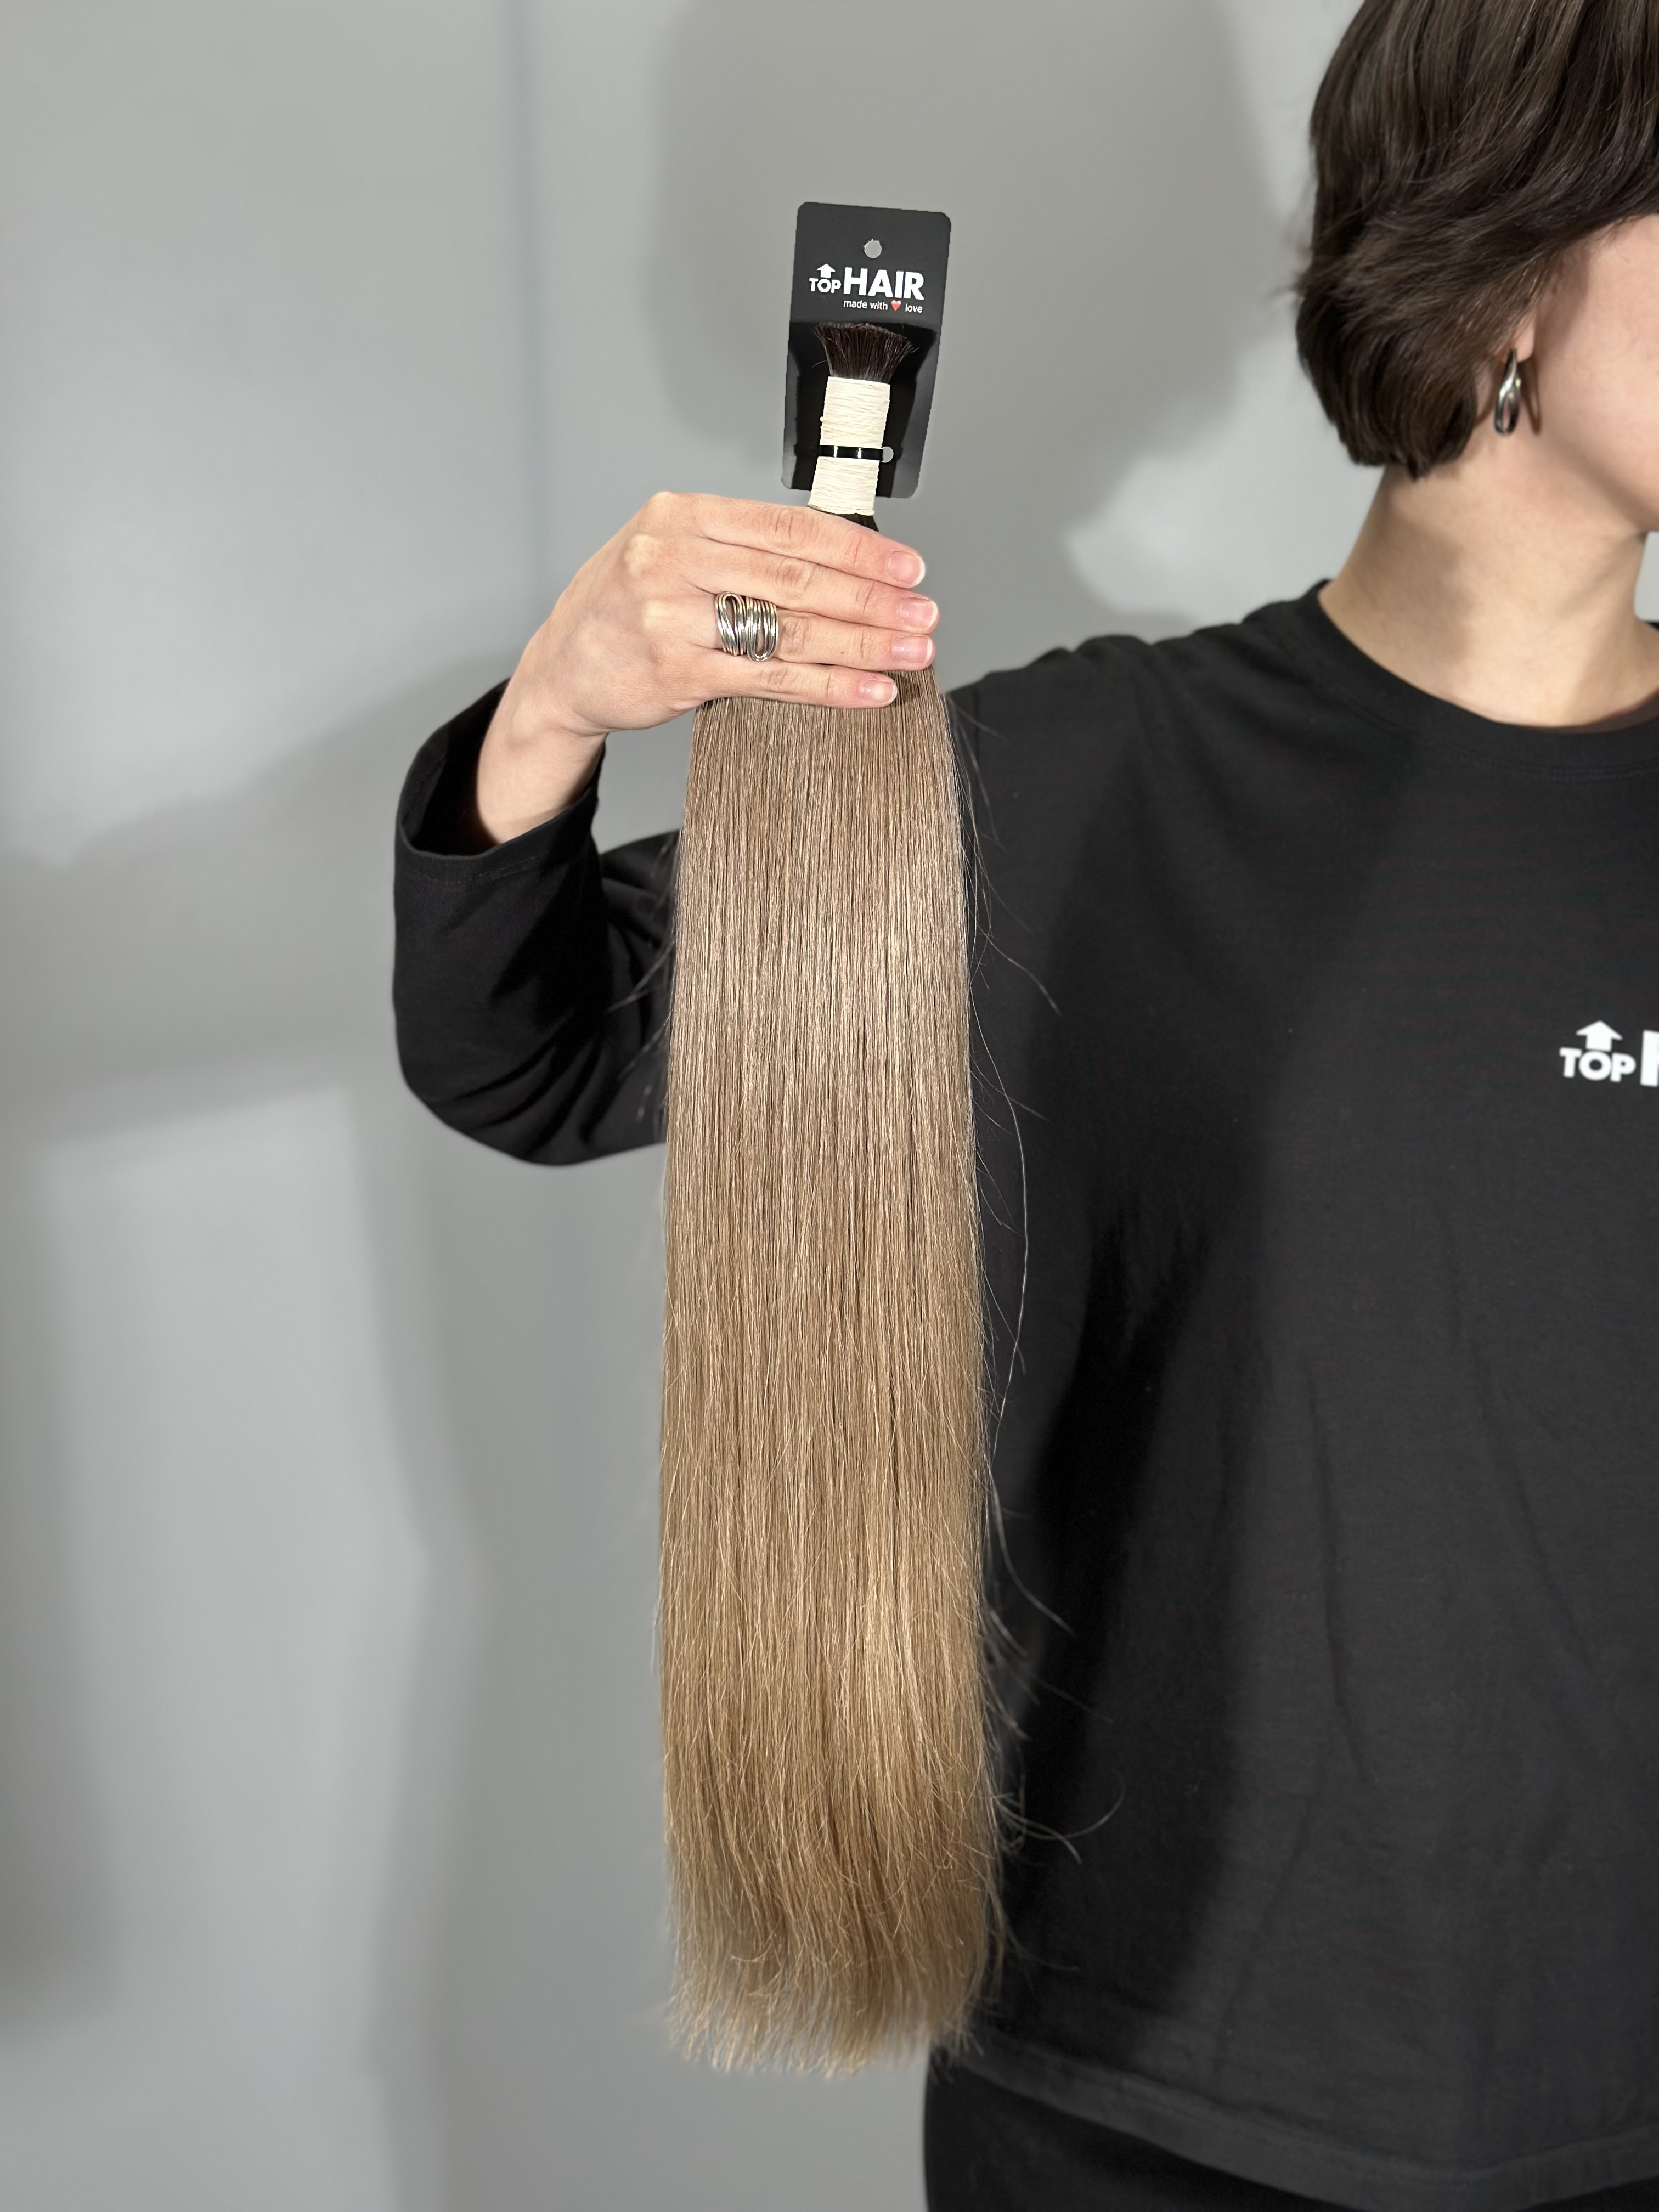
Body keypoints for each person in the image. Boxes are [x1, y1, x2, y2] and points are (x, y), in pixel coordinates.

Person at [391, 1, 1659, 2205]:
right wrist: (559, 704)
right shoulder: (1085, 793)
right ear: (1507, 263)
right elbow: (540, 1040)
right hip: (1143, 2113)